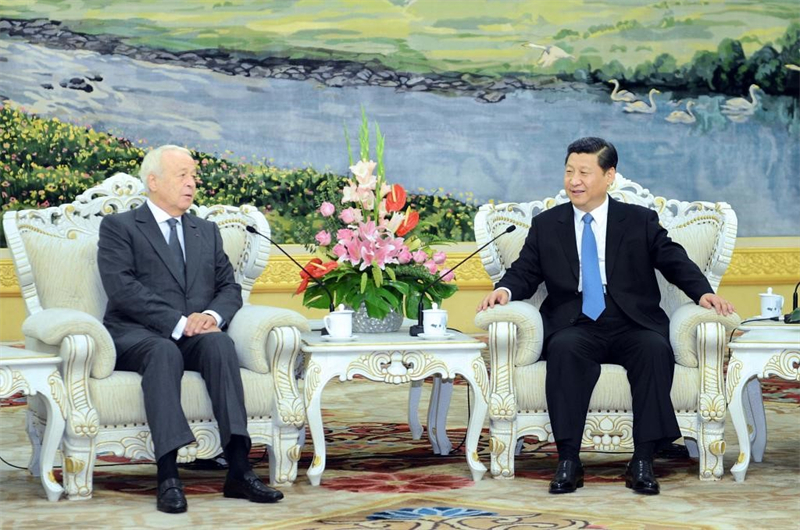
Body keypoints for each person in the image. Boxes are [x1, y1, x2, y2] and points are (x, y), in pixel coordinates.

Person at [477, 137, 734, 495]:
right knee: (564, 351)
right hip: (575, 321)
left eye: (584, 172)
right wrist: (504, 290)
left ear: (609, 175)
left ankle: (642, 459)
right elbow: (525, 270)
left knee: (654, 350)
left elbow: (673, 259)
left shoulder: (639, 220)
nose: (574, 181)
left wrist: (703, 292)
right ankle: (568, 459)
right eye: (569, 172)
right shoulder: (548, 224)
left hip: (632, 320)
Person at [97, 145, 283, 513]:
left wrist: (211, 317)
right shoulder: (120, 227)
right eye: (182, 175)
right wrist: (180, 323)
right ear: (153, 181)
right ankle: (168, 474)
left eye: (194, 175)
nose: (192, 183)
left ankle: (239, 469)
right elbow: (122, 288)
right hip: (137, 334)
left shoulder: (206, 231)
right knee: (163, 350)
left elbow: (229, 287)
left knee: (220, 346)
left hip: (196, 333)